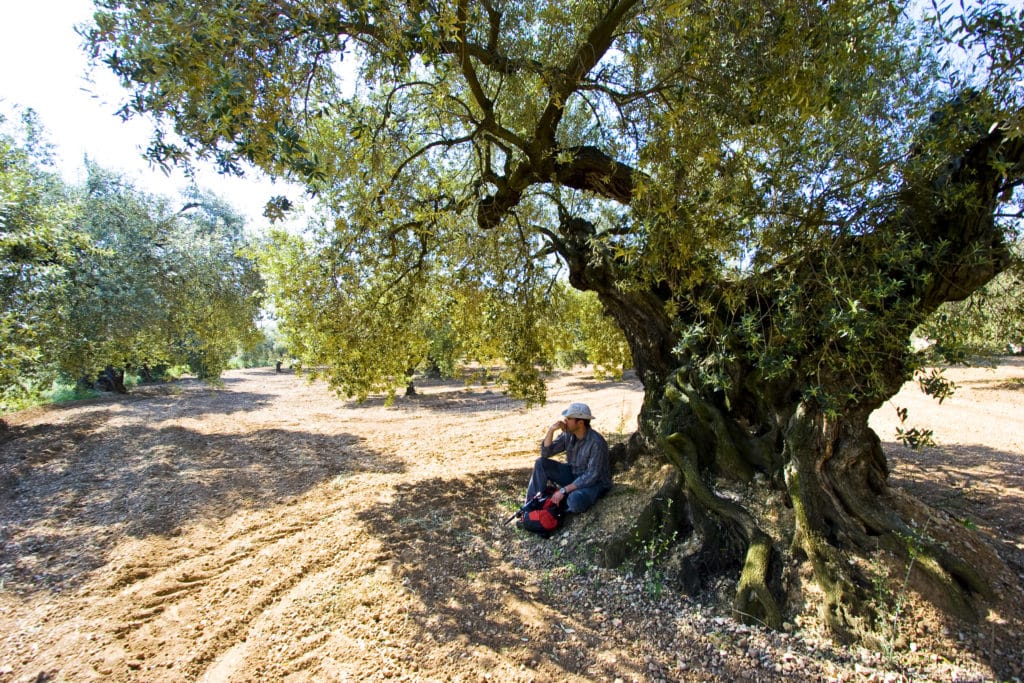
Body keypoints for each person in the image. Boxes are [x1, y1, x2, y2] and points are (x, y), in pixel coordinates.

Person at [526, 402, 612, 514]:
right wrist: (551, 430)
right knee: (541, 463)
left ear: (580, 423)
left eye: (568, 418)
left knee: (574, 500)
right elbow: (545, 453)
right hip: (573, 475)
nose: (565, 420)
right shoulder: (568, 435)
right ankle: (529, 509)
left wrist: (564, 490)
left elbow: (591, 476)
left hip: (595, 484)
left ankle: (557, 508)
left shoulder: (596, 443)